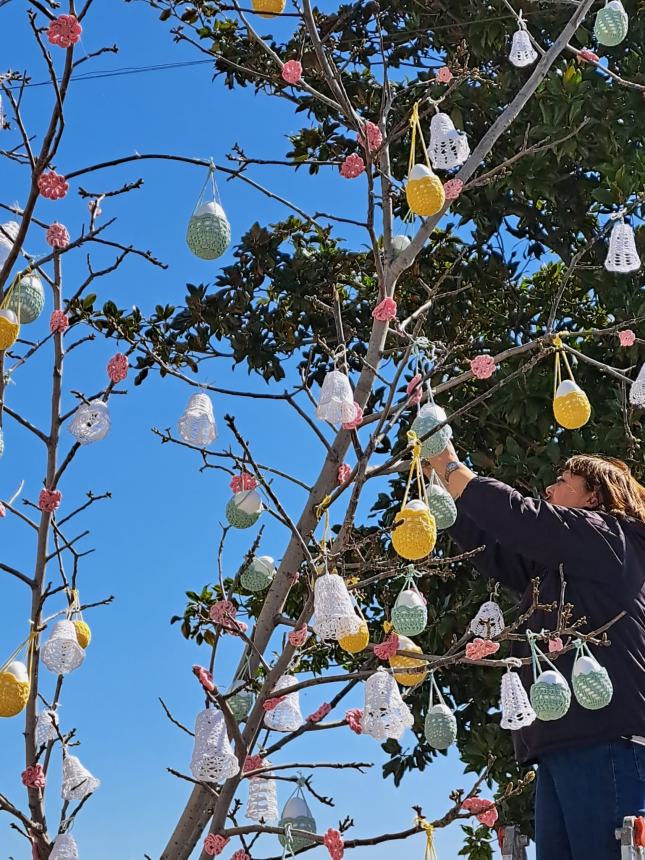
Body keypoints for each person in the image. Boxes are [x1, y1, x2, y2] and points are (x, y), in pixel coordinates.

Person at [424, 441, 645, 860]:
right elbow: (497, 547)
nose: (548, 488)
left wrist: (451, 463)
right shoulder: (560, 569)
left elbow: (525, 520)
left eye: (562, 482)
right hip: (563, 742)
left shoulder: (611, 538)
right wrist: (441, 491)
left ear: (594, 496)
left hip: (607, 740)